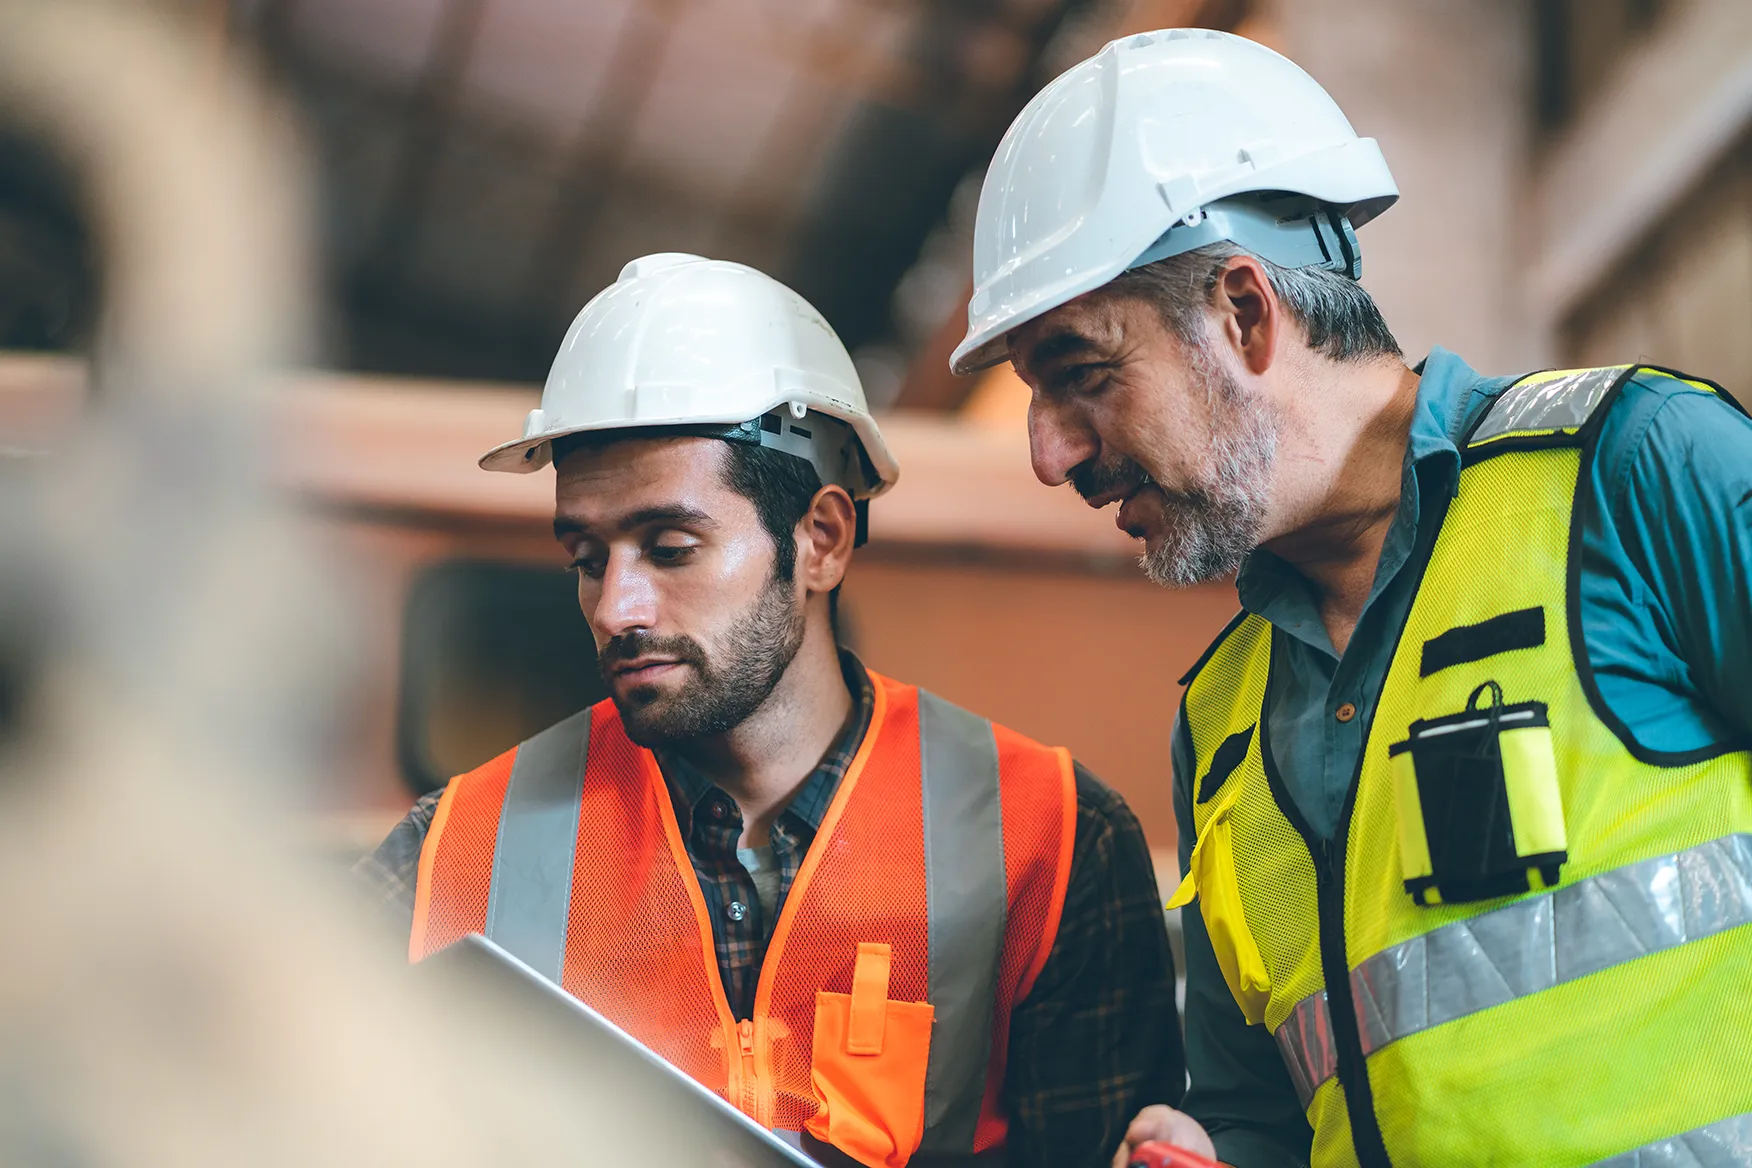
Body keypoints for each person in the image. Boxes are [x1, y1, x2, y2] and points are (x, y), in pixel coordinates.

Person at [948, 29, 1752, 1168]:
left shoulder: (1634, 472)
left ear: (1243, 310)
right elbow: (1272, 1115)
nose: (1047, 453)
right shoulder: (1222, 723)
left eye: (1081, 373)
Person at [357, 253, 1182, 1168]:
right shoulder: (453, 854)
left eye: (669, 548)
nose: (613, 607)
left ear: (820, 539)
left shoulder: (1053, 844)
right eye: (588, 557)